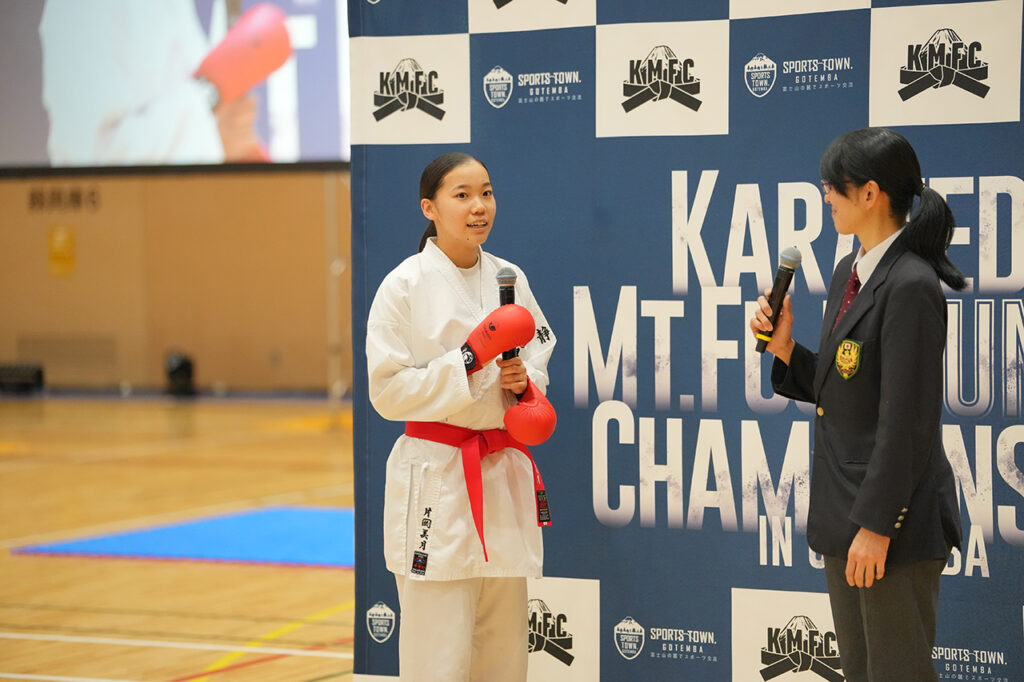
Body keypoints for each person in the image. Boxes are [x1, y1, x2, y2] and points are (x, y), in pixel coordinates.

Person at [749, 128, 963, 681]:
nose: (825, 194)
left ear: (870, 194)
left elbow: (907, 422)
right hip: (848, 517)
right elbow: (846, 383)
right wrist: (786, 349)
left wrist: (877, 526)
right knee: (862, 672)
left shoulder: (911, 284)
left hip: (891, 526)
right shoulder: (851, 269)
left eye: (832, 185)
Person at [366, 152, 557, 681]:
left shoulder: (509, 277)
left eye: (487, 193)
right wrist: (469, 359)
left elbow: (538, 355)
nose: (479, 206)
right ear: (429, 208)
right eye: (463, 195)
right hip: (437, 476)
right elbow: (387, 391)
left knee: (503, 654)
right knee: (437, 656)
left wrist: (524, 385)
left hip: (500, 474)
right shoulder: (403, 286)